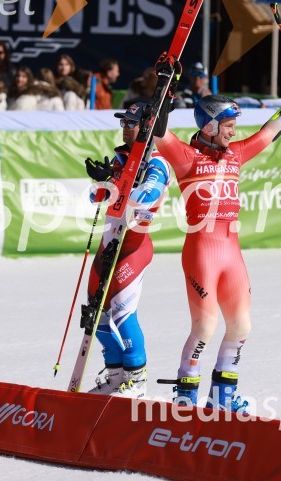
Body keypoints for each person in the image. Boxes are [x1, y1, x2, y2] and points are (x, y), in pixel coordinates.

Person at [150, 69, 281, 408]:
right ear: (208, 126)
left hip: (231, 250)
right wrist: (166, 86)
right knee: (205, 326)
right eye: (227, 127)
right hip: (202, 250)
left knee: (240, 325)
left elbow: (269, 134)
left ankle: (222, 399)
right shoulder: (186, 157)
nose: (233, 132)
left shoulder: (235, 153)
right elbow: (159, 129)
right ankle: (185, 398)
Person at [83, 102, 171, 398]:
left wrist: (116, 183)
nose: (124, 129)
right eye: (123, 123)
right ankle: (116, 374)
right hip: (109, 244)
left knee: (122, 313)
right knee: (96, 314)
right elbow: (97, 199)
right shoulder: (123, 158)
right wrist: (103, 180)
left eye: (130, 124)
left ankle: (137, 380)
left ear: (146, 127)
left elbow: (143, 198)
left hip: (133, 247)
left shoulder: (157, 162)